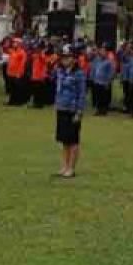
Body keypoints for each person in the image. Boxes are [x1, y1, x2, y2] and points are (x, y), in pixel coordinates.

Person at [53, 46, 86, 179]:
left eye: (68, 57)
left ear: (74, 58)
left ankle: (71, 168)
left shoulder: (79, 74)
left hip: (72, 109)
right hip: (61, 107)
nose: (65, 59)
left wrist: (79, 111)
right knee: (64, 140)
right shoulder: (60, 71)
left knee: (73, 140)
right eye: (63, 57)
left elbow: (81, 94)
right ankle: (65, 166)